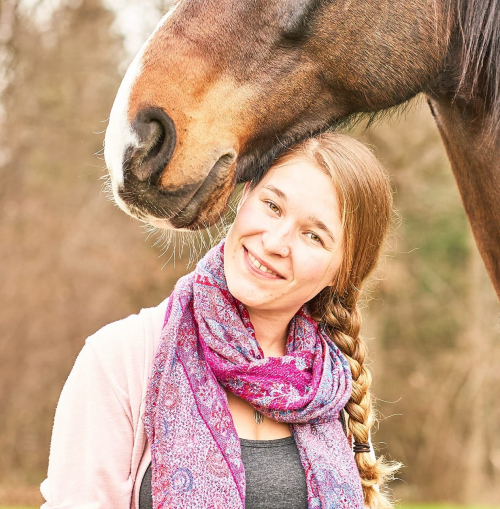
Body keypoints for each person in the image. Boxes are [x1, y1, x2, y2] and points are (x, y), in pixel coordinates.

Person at [41, 132, 399, 509]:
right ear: (243, 196)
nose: (276, 242)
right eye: (272, 206)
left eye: (313, 236)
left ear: (342, 274)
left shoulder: (329, 385)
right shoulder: (122, 358)